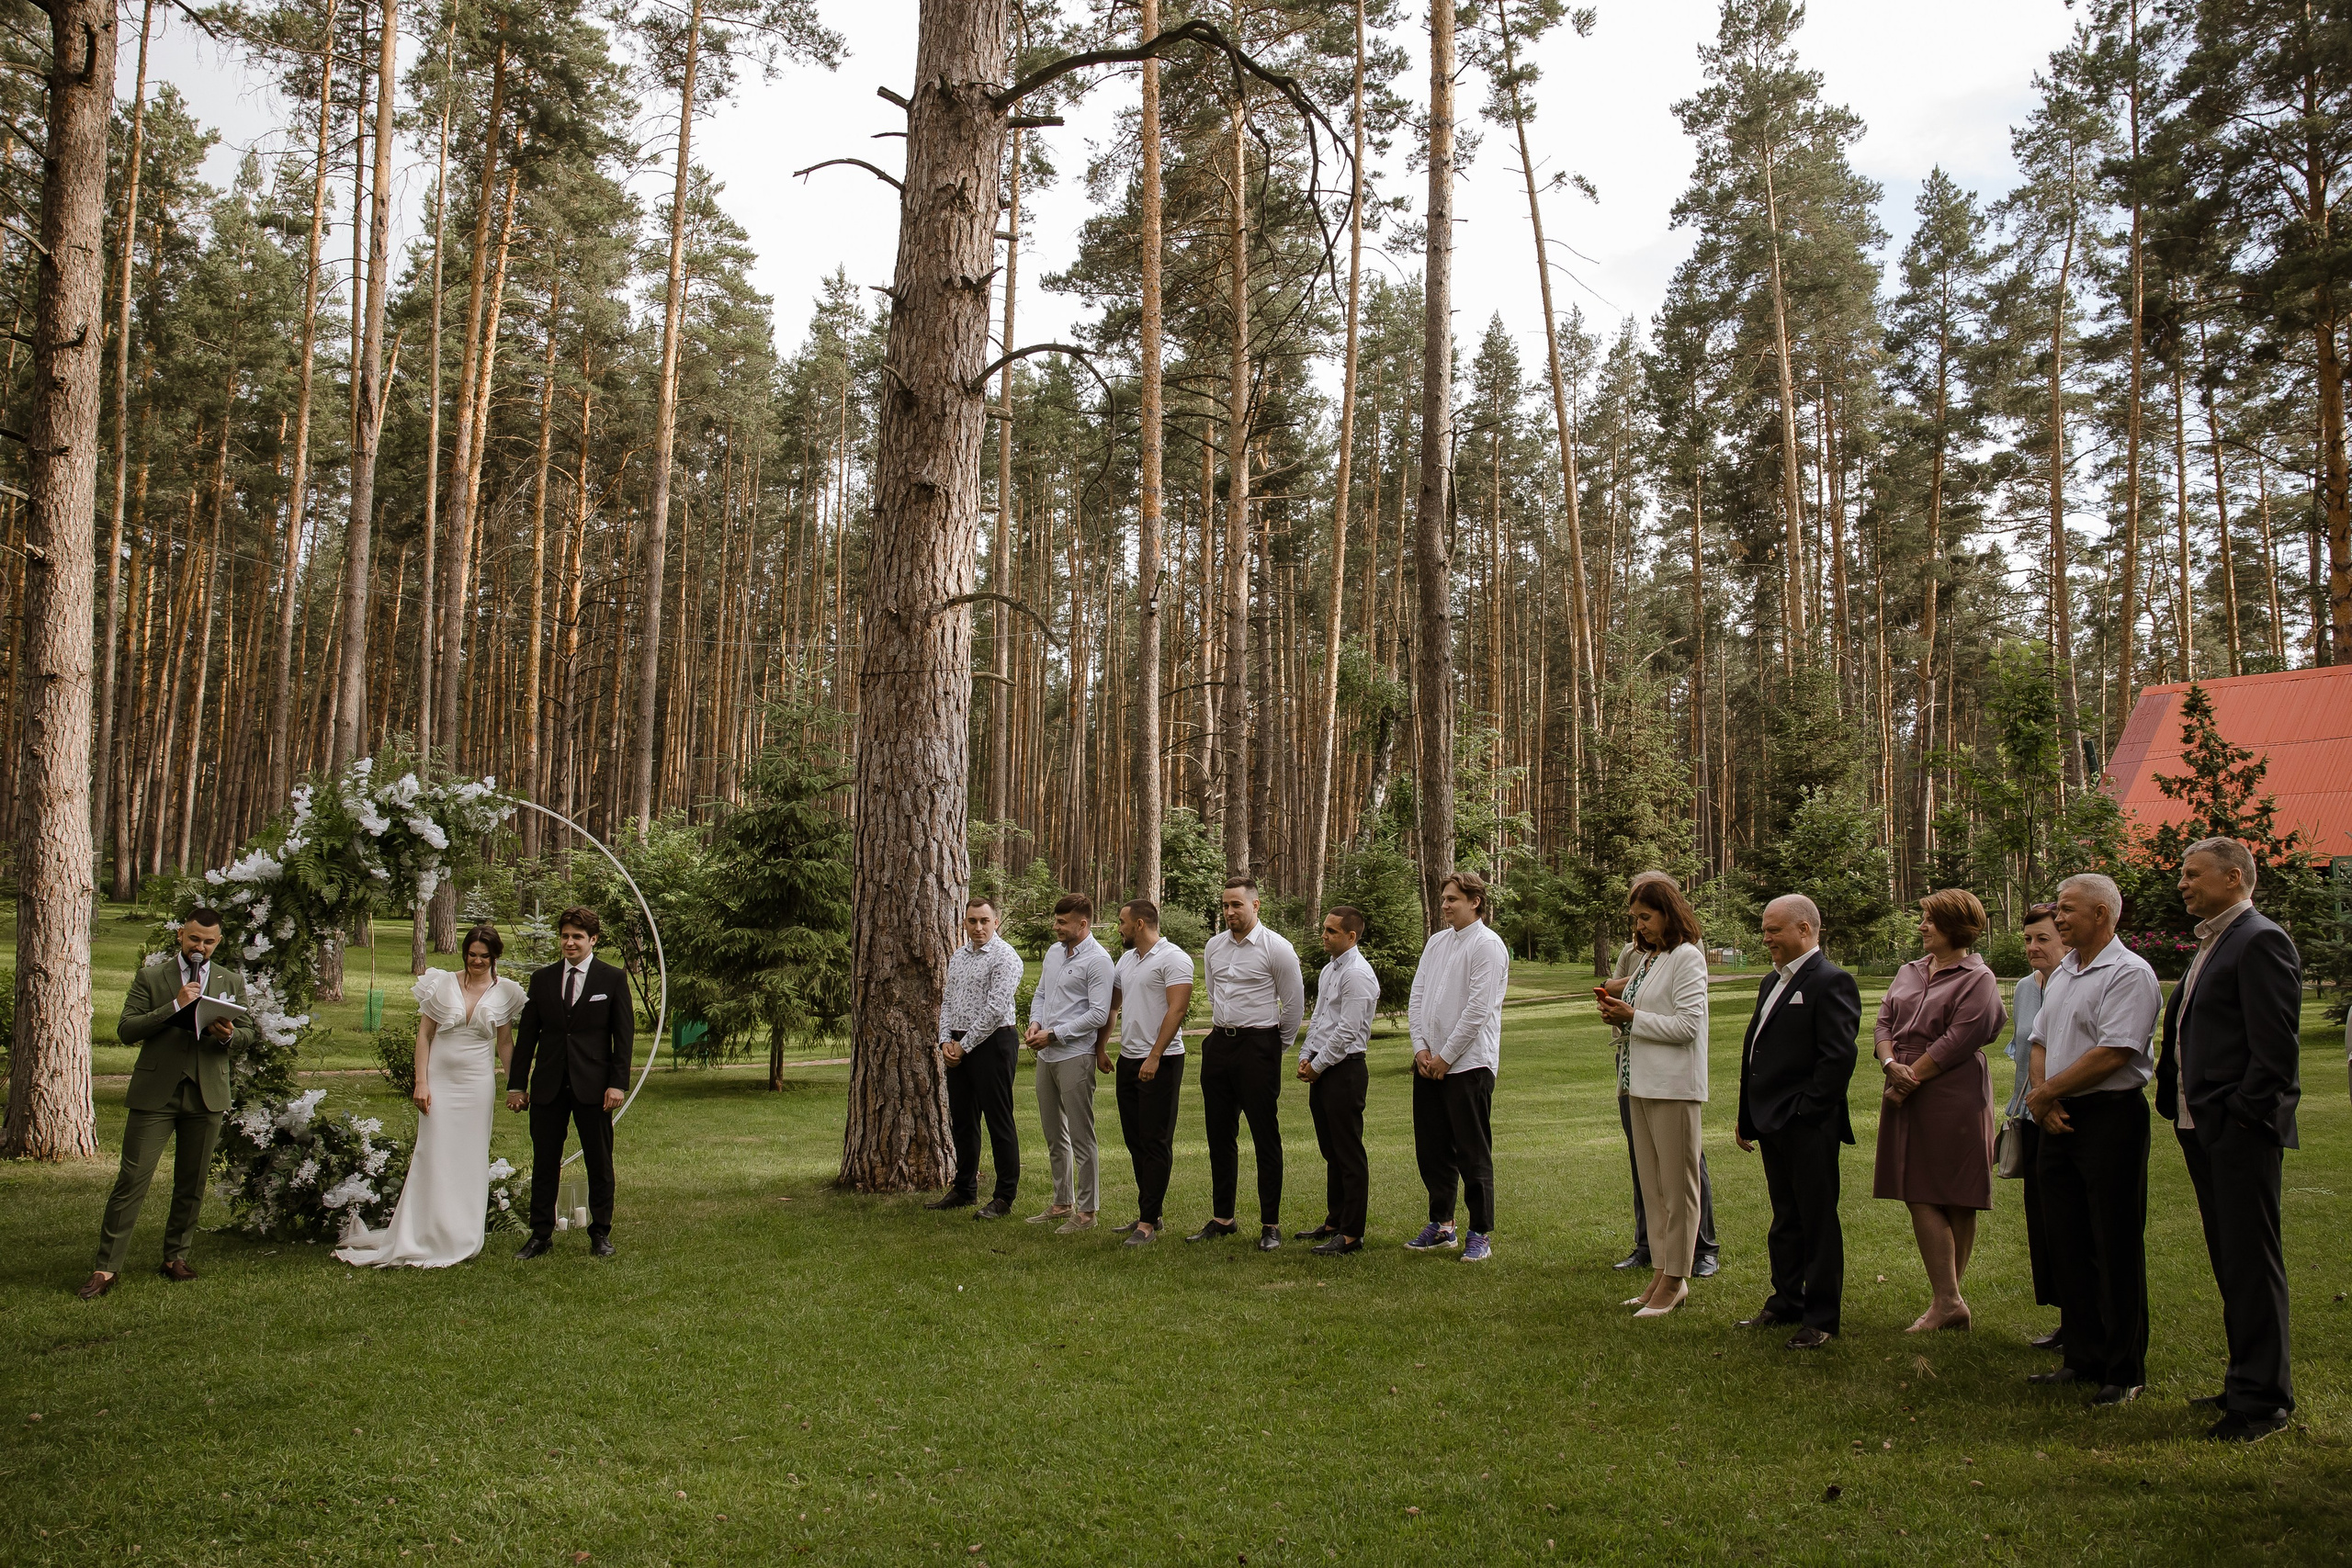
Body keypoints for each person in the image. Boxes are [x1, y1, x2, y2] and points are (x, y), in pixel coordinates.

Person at [2155, 837, 2303, 1442]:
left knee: (2250, 1261)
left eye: (2193, 874)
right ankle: (2243, 1377)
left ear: (2234, 876)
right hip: (2204, 1127)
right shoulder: (2215, 941)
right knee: (2229, 1260)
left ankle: (2263, 1401)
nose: (2182, 883)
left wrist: (2240, 1115)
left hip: (2237, 1129)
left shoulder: (2259, 939)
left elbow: (2275, 1051)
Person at [2024, 873, 2161, 1407]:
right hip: (2058, 1117)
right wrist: (2044, 1097)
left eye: (2067, 909)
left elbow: (2115, 1052)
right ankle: (2081, 1356)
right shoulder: (2063, 974)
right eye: (2058, 909)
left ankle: (2123, 1369)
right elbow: (2039, 1040)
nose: (2057, 918)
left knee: (2114, 1242)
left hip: (2109, 1119)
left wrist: (2046, 1095)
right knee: (2068, 1241)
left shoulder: (2128, 974)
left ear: (2102, 914)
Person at [80, 908, 251, 1299]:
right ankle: (106, 1268)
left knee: (192, 1181)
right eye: (194, 939)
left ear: (218, 941)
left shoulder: (230, 979)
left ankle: (175, 1256)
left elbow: (246, 1035)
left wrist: (226, 1036)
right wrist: (174, 1007)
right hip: (156, 1092)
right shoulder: (152, 977)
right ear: (180, 935)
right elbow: (126, 1030)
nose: (200, 948)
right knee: (132, 1180)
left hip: (207, 1091)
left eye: (209, 942)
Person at [336, 925, 526, 1268]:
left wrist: (515, 1086)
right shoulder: (442, 983)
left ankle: (461, 1235)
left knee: (469, 1156)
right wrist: (420, 1082)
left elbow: (504, 1043)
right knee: (433, 1153)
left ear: (494, 958)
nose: (477, 962)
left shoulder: (506, 992)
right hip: (439, 1081)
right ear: (464, 953)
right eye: (472, 955)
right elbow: (424, 1036)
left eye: (484, 957)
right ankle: (421, 1232)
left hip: (477, 1084)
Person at [1871, 889, 2007, 1333]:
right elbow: (1884, 1021)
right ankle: (1948, 1301)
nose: (1921, 926)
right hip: (1904, 1079)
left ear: (1955, 927)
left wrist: (1911, 1078)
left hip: (1952, 1091)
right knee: (1917, 1188)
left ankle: (1946, 1300)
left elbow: (1960, 1039)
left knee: (1955, 1195)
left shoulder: (1978, 978)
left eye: (1929, 919)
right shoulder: (1908, 971)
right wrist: (1892, 1065)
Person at [1733, 894, 1861, 1349]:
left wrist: (1806, 1112)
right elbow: (1758, 1051)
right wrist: (1748, 1115)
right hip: (1771, 1122)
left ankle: (1822, 1316)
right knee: (1785, 1217)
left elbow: (1838, 1057)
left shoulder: (1831, 981)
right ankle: (1786, 1300)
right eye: (1765, 929)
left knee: (1817, 1219)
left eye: (1774, 930)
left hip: (1807, 1124)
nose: (1766, 938)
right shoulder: (1772, 981)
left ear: (1804, 929)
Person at [1596, 877, 1710, 1317]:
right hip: (1638, 1084)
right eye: (1635, 919)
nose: (1639, 927)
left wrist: (1633, 1016)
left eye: (1645, 917)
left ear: (1668, 913)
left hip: (1674, 1089)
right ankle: (1661, 1272)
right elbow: (1636, 1007)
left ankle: (1678, 1277)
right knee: (1653, 1187)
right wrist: (1616, 1010)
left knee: (1678, 1188)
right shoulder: (1650, 959)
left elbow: (1686, 1028)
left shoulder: (1688, 958)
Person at [509, 906, 634, 1259]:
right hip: (549, 1084)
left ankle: (600, 1233)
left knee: (599, 1160)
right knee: (545, 1160)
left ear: (592, 940)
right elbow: (528, 1037)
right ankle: (540, 1234)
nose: (569, 942)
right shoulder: (543, 979)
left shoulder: (611, 979)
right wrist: (517, 1084)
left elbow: (623, 1038)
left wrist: (617, 1083)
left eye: (577, 936)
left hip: (594, 1087)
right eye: (565, 936)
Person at [1191, 877, 1305, 1250]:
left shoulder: (1278, 949)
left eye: (1236, 905)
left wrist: (1274, 1048)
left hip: (1259, 1045)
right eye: (1225, 905)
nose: (1228, 912)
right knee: (1219, 1135)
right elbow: (1212, 991)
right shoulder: (1214, 947)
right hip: (1220, 1045)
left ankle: (1270, 1224)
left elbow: (1293, 1007)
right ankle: (1223, 1218)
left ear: (1255, 906)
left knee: (1264, 1136)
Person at [1405, 872, 1510, 1263]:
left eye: (1453, 899)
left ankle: (1479, 1231)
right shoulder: (1436, 943)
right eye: (1444, 899)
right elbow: (1418, 997)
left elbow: (1478, 1010)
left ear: (1475, 901)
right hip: (1429, 1062)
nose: (1446, 905)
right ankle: (1442, 1225)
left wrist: (1446, 1057)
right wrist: (1421, 1050)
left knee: (1472, 1151)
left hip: (1469, 1064)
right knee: (1432, 1149)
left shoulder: (1488, 946)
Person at [1101, 899, 1193, 1247]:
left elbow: (1178, 1008)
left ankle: (1147, 1224)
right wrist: (1101, 1047)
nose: (1119, 927)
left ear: (1140, 924)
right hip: (1128, 1059)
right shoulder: (1126, 960)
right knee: (1134, 1139)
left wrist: (1154, 1056)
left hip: (1162, 1060)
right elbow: (1113, 1006)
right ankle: (1150, 1211)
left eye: (1122, 922)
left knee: (1155, 1141)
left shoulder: (1174, 958)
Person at [1295, 906, 1382, 1257]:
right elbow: (1318, 1017)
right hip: (1323, 1067)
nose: (1324, 936)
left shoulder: (1357, 974)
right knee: (1331, 1150)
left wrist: (1320, 1065)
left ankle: (1351, 1233)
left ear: (1351, 936)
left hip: (1345, 1069)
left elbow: (1347, 1031)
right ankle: (1334, 1220)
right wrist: (1306, 1055)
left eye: (1332, 931)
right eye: (1324, 929)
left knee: (1348, 1153)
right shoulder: (1330, 970)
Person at [929, 897, 1024, 1216]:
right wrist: (945, 1041)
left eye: (985, 920)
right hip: (957, 1044)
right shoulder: (958, 957)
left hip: (994, 1043)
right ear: (965, 923)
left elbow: (996, 1008)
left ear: (995, 921)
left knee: (999, 1120)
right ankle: (964, 1188)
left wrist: (965, 1045)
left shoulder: (1005, 957)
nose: (978, 927)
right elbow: (947, 1002)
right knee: (963, 1120)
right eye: (972, 921)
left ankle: (1004, 1197)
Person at [1023, 895, 1113, 1233]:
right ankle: (1062, 1202)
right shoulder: (1053, 952)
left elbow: (1098, 1013)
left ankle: (1087, 1211)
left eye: (1062, 923)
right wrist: (1035, 1023)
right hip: (1046, 1056)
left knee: (1080, 1134)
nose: (1056, 927)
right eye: (1056, 921)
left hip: (1075, 1056)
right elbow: (1042, 993)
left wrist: (1055, 1035)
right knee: (1052, 1132)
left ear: (1082, 924)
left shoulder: (1099, 960)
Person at [2003, 903, 2066, 1351]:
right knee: (2045, 1224)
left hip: (2066, 1117)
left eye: (2042, 938)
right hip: (2030, 1117)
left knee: (2070, 1224)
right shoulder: (2026, 988)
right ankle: (2069, 1317)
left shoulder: (2076, 983)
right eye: (2027, 939)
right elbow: (2021, 1053)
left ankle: (2084, 1320)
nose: (2032, 947)